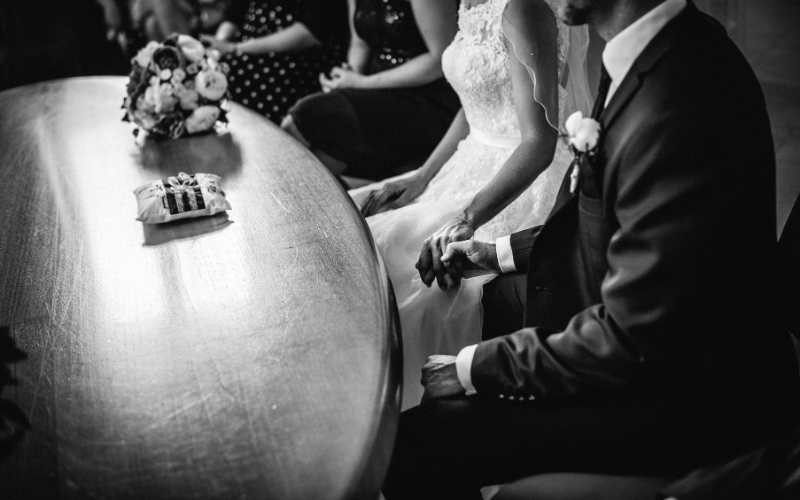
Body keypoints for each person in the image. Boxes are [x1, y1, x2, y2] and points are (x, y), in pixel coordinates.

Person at [383, 0, 800, 498]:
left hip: (685, 395)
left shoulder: (677, 98)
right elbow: (626, 225)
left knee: (416, 447)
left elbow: (632, 335)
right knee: (469, 309)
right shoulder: (655, 47)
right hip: (657, 343)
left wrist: (474, 367)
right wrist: (498, 253)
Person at [349, 0, 592, 409]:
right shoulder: (471, 4)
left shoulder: (525, 10)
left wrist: (467, 218)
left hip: (515, 176)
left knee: (408, 279)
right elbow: (474, 104)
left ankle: (396, 415)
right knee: (366, 236)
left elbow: (539, 143)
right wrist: (421, 177)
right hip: (466, 159)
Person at [281, 0, 462, 183]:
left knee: (308, 114)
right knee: (305, 134)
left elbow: (439, 59)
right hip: (375, 87)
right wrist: (348, 76)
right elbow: (360, 44)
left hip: (427, 95)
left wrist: (362, 83)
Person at [202, 0, 349, 123]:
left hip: (296, 56)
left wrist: (237, 48)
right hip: (244, 48)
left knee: (236, 76)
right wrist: (218, 45)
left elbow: (311, 33)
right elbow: (234, 15)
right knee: (203, 68)